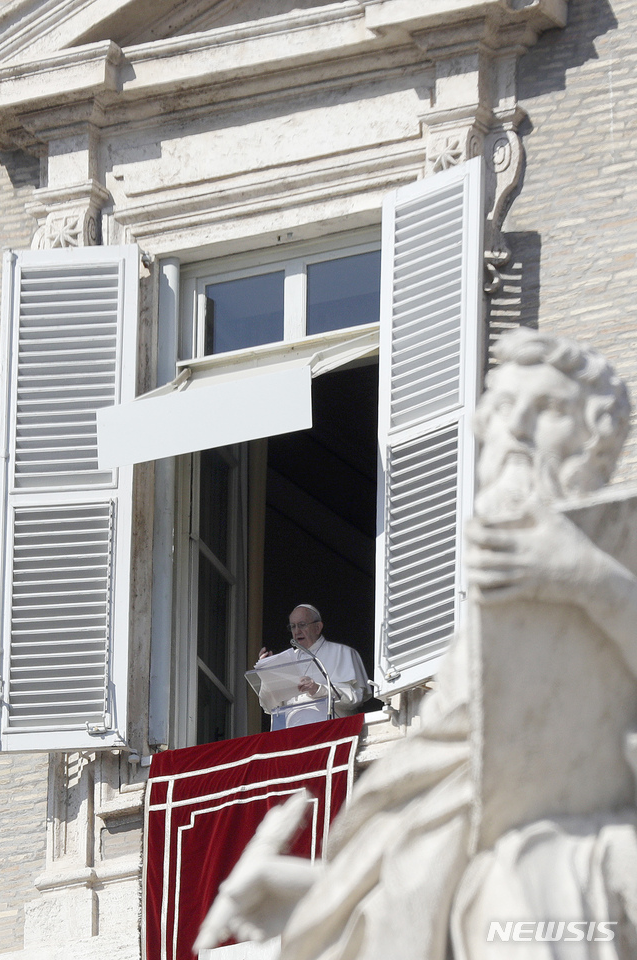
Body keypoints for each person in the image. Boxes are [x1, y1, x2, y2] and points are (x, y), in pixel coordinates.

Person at [197, 329, 637, 960]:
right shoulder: (485, 627)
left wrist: (587, 578)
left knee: (532, 878)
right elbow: (435, 789)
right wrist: (316, 894)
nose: (509, 437)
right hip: (455, 856)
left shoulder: (615, 565)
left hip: (564, 853)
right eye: (499, 416)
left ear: (595, 438)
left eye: (537, 416)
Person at [255, 604, 372, 728]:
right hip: (292, 733)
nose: (297, 631)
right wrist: (268, 672)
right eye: (293, 626)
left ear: (317, 627)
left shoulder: (342, 652)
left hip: (331, 729)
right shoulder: (285, 661)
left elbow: (355, 697)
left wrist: (317, 689)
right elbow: (270, 707)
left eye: (302, 625)